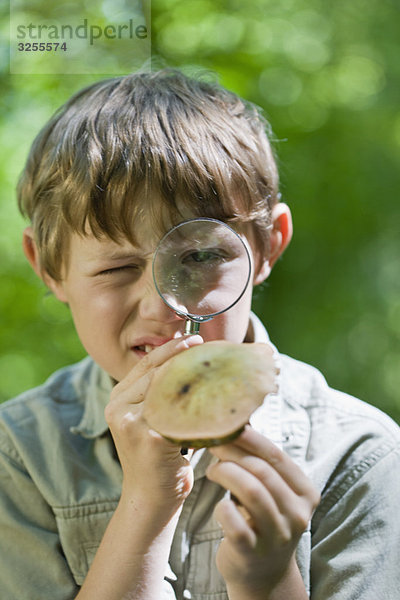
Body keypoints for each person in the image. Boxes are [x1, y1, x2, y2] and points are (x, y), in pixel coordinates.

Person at [0, 69, 399, 600]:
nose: (164, 306)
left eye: (201, 257)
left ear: (268, 246)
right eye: (117, 270)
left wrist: (268, 579)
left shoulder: (358, 456)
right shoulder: (20, 457)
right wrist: (146, 504)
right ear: (49, 268)